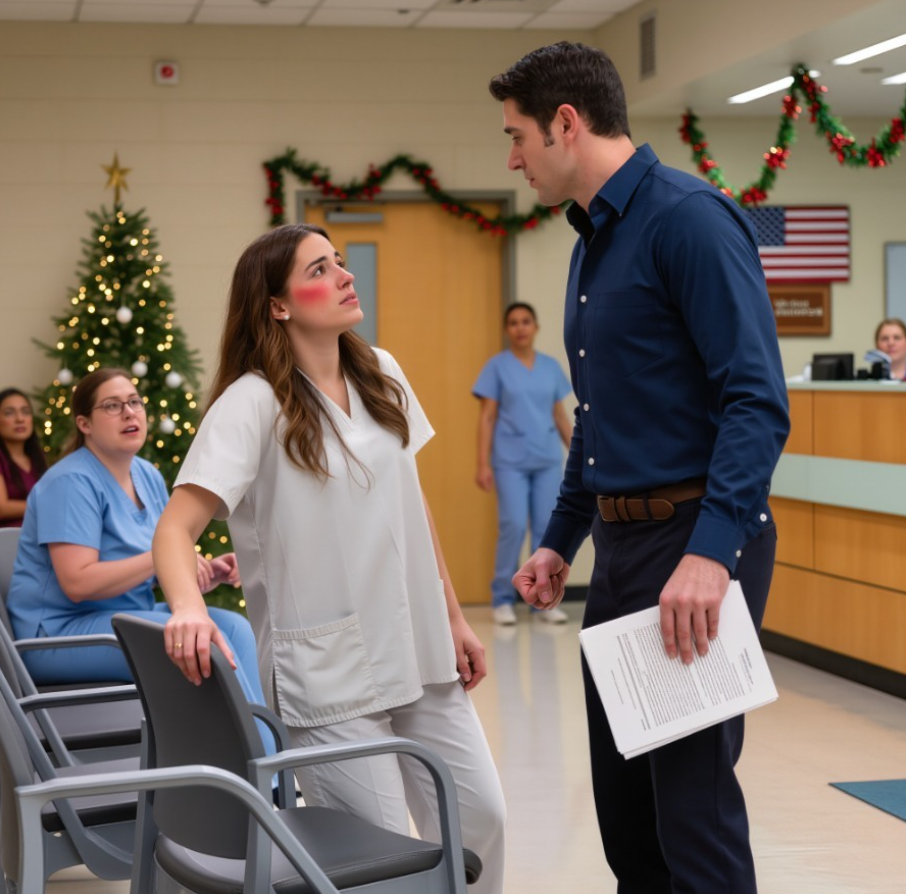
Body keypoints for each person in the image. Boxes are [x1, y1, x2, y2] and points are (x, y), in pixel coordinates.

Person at [489, 42, 790, 894]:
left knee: (691, 813)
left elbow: (756, 401)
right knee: (629, 818)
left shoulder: (689, 220)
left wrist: (711, 554)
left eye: (517, 137)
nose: (513, 159)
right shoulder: (591, 242)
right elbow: (601, 416)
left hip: (694, 544)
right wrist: (561, 538)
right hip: (622, 554)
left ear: (566, 124)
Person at [152, 223, 506, 894]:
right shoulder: (251, 402)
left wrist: (454, 617)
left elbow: (411, 502)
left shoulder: (382, 372)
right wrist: (188, 609)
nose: (344, 275)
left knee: (480, 817)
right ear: (277, 305)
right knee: (377, 860)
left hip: (419, 644)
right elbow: (175, 529)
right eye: (319, 269)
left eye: (339, 262)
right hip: (326, 671)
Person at [5, 368, 265, 717]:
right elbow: (78, 583)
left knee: (236, 628)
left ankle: (264, 745)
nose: (129, 412)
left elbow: (149, 568)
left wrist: (202, 572)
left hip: (126, 616)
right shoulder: (69, 482)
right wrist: (160, 558)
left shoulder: (147, 475)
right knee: (191, 642)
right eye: (112, 406)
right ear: (84, 423)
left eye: (134, 402)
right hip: (60, 634)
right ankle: (242, 746)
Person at [473, 302, 572, 625]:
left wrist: (583, 457)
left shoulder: (550, 367)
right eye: (513, 322)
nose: (520, 328)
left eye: (526, 321)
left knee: (547, 530)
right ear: (507, 329)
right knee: (513, 526)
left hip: (547, 460)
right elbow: (487, 417)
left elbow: (560, 416)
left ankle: (543, 600)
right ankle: (502, 598)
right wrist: (482, 464)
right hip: (510, 462)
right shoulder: (496, 367)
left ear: (535, 327)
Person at [0, 388, 47, 528]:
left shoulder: (38, 458)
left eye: (25, 412)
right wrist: (46, 505)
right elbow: (1, 508)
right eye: (9, 413)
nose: (20, 419)